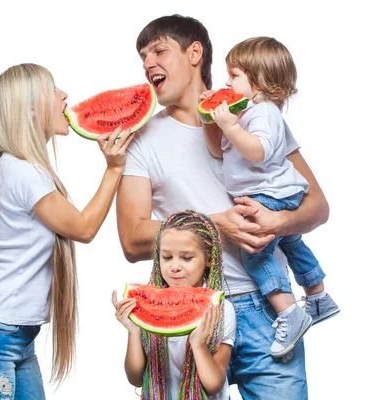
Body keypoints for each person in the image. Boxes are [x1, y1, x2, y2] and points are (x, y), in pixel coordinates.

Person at [116, 14, 329, 399]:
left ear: (194, 52)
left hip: (268, 307)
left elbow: (317, 205)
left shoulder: (257, 114)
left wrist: (280, 221)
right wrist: (217, 224)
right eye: (142, 56)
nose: (148, 64)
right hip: (189, 310)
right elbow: (131, 239)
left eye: (159, 51)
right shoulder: (142, 141)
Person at [0, 63, 134, 399]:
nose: (64, 96)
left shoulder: (11, 165)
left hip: (10, 335)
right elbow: (84, 228)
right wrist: (114, 169)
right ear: (31, 107)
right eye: (54, 90)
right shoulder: (22, 171)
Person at [200, 36, 340, 359]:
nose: (227, 81)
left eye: (234, 76)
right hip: (279, 192)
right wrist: (216, 118)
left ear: (259, 81)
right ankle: (318, 295)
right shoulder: (248, 113)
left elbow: (258, 152)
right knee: (290, 242)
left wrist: (229, 126)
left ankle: (290, 312)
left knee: (254, 251)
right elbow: (218, 149)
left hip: (270, 195)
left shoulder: (265, 113)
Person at [112, 210, 237, 400]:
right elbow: (136, 378)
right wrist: (133, 331)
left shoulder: (221, 310)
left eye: (186, 258)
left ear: (209, 259)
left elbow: (214, 385)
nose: (175, 266)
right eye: (167, 257)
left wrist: (199, 344)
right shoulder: (146, 306)